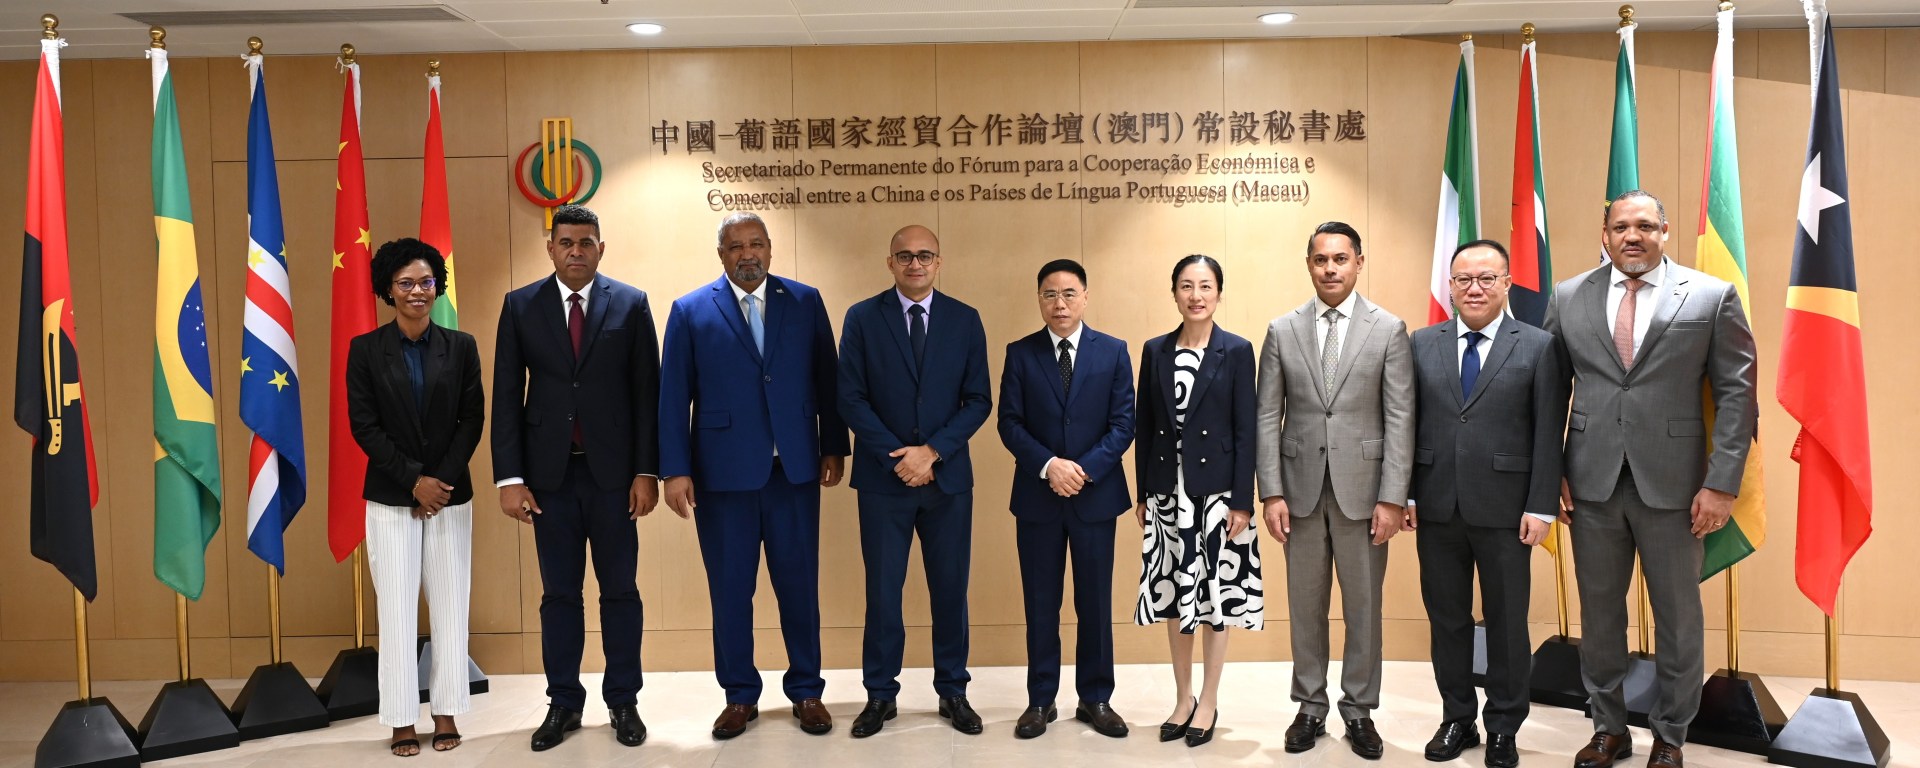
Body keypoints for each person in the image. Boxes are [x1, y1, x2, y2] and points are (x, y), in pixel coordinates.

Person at [1546, 191, 1757, 768]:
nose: (1632, 236)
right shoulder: (1568, 295)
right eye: (1620, 227)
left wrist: (1722, 483)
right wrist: (1550, 474)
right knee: (1600, 616)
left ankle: (1670, 735)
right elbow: (1549, 392)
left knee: (1678, 618)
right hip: (1590, 485)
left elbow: (1738, 395)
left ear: (1664, 231)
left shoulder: (1711, 296)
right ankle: (1608, 729)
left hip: (1677, 487)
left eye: (1644, 226)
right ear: (1605, 235)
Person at [660, 212, 849, 740]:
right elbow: (673, 396)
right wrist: (674, 470)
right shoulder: (690, 310)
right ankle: (739, 695)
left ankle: (807, 690)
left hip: (794, 471)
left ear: (770, 248)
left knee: (799, 587)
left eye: (757, 244)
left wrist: (834, 446)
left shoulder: (805, 301)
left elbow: (827, 378)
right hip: (722, 477)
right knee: (730, 590)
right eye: (736, 246)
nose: (748, 254)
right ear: (721, 254)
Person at [492, 204, 660, 751]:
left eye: (586, 242)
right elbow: (506, 397)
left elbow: (647, 394)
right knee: (559, 595)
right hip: (549, 479)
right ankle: (563, 702)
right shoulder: (520, 305)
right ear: (551, 248)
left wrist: (646, 471)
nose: (576, 251)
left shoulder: (631, 303)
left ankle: (623, 701)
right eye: (566, 243)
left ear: (601, 248)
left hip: (615, 478)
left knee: (621, 593)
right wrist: (510, 477)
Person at [1406, 240, 1567, 768]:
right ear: (1450, 286)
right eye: (1463, 279)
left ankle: (1503, 725)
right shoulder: (1421, 342)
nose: (1474, 288)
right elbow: (1407, 423)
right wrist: (1407, 492)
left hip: (1507, 509)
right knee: (1447, 620)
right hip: (1436, 506)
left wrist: (1541, 506)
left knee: (1506, 623)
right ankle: (1457, 718)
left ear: (1506, 284)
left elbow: (1549, 431)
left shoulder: (1539, 345)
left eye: (1486, 278)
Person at [1256, 221, 1413, 760]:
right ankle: (1309, 707)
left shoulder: (1387, 329)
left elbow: (1400, 417)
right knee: (1306, 606)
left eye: (1340, 259)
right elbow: (1266, 416)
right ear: (1309, 264)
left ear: (1358, 262)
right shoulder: (1282, 330)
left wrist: (1392, 497)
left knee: (1364, 608)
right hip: (1298, 492)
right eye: (1321, 259)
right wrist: (1270, 493)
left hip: (1365, 494)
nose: (1330, 269)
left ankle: (1359, 710)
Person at [837, 225, 992, 738]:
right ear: (890, 263)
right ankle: (880, 695)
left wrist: (933, 452)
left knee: (950, 590)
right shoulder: (862, 318)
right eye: (904, 256)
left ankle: (953, 691)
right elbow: (850, 397)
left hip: (947, 482)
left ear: (939, 262)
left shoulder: (965, 319)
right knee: (883, 593)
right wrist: (897, 457)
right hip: (884, 482)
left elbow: (979, 400)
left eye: (925, 255)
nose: (915, 264)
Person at [346, 238, 484, 757]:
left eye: (426, 281)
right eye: (406, 283)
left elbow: (472, 419)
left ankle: (446, 712)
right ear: (389, 289)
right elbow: (364, 426)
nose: (417, 291)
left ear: (437, 286)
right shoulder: (365, 350)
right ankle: (402, 720)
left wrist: (438, 483)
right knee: (398, 611)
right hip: (390, 498)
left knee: (450, 607)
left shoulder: (462, 346)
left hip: (450, 497)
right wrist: (413, 481)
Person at [997, 258, 1135, 740]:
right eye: (1050, 294)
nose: (1060, 303)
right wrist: (1049, 465)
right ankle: (1041, 699)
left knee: (1094, 602)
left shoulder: (1113, 351)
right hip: (1038, 497)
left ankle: (1096, 698)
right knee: (1041, 603)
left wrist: (1083, 470)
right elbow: (1009, 423)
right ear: (1039, 299)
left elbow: (1123, 423)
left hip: (1095, 497)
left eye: (1069, 293)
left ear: (1085, 297)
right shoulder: (1020, 353)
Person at [1133, 254, 1262, 749]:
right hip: (1168, 492)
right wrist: (1143, 492)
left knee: (1215, 598)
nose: (1196, 295)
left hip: (1219, 497)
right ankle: (1183, 698)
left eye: (1205, 286)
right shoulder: (1156, 350)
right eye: (1186, 286)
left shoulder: (1237, 350)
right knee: (1174, 594)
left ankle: (1208, 700)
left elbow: (1246, 430)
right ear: (1174, 293)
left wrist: (1243, 502)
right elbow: (1145, 425)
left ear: (1219, 293)